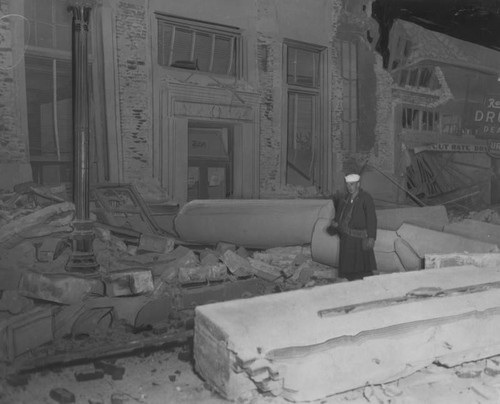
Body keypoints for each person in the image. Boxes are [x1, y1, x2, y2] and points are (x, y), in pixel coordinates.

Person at [327, 173, 377, 280]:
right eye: (348, 185)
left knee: (362, 269)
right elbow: (340, 216)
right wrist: (335, 225)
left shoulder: (366, 198)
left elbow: (371, 219)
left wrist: (371, 237)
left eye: (352, 184)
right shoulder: (345, 199)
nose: (349, 187)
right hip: (346, 239)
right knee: (348, 268)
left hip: (359, 239)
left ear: (358, 184)